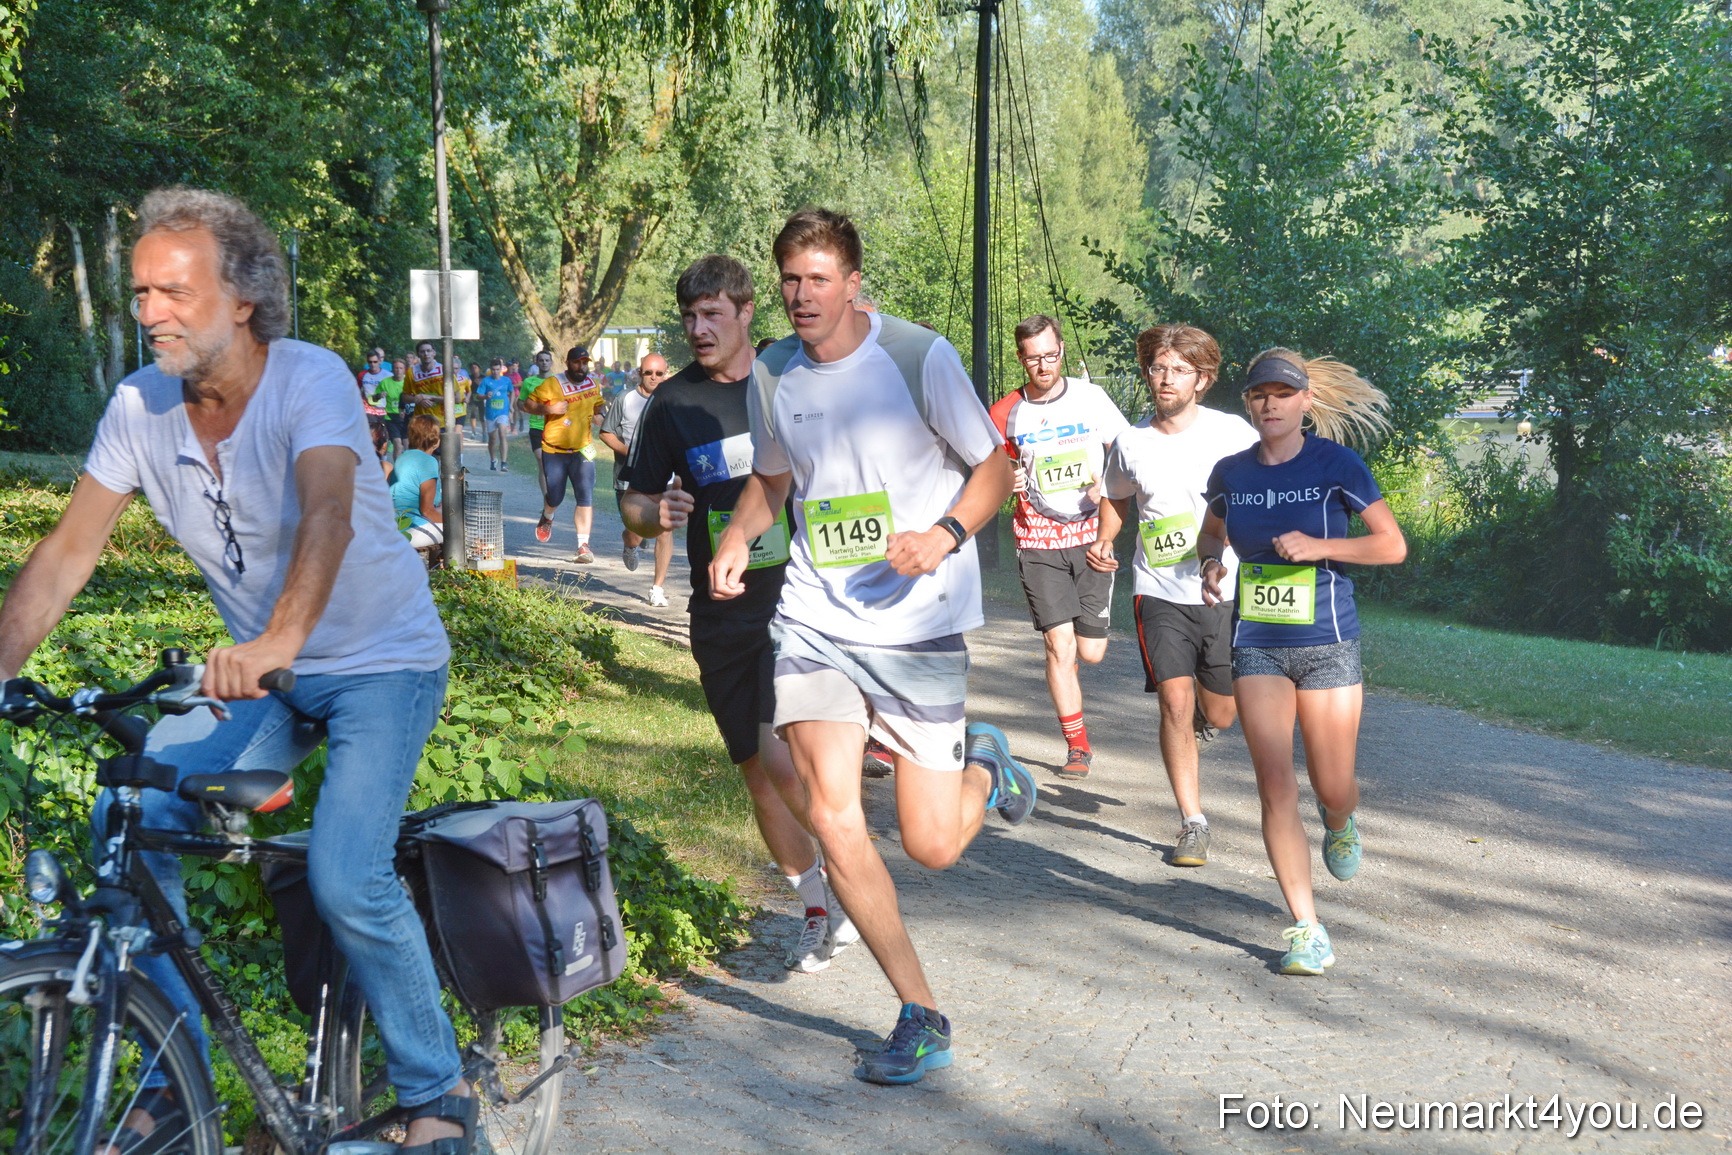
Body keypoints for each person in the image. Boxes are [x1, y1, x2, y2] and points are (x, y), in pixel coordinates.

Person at [0, 188, 472, 1152]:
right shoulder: (138, 405)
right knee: (132, 814)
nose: (150, 310)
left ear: (245, 299)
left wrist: (279, 642)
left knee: (347, 870)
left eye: (175, 290)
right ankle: (180, 1070)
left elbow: (329, 513)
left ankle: (438, 1093)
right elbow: (66, 555)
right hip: (272, 674)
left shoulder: (310, 379)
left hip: (382, 662)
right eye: (140, 291)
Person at [711, 209, 1036, 1085]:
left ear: (854, 283)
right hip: (817, 619)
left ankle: (984, 770)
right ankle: (919, 1012)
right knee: (832, 812)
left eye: (818, 278)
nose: (800, 294)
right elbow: (773, 478)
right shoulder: (774, 371)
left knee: (932, 843)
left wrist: (941, 534)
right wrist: (742, 534)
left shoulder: (915, 356)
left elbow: (996, 466)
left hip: (917, 622)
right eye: (789, 279)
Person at [621, 254, 859, 973]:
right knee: (758, 771)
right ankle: (818, 905)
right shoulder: (673, 404)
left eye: (712, 314)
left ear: (746, 311)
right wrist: (652, 512)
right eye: (689, 316)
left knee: (787, 757)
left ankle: (851, 884)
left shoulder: (791, 378)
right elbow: (633, 500)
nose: (698, 328)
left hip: (801, 600)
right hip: (723, 611)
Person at [1197, 348, 1406, 975]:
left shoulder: (1335, 463)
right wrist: (1211, 562)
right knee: (1275, 785)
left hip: (1328, 644)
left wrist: (1319, 547)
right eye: (1260, 394)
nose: (1270, 403)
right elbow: (1211, 531)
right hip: (1256, 642)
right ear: (1249, 403)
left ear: (1304, 402)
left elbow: (1392, 546)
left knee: (1333, 784)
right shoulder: (1231, 472)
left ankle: (1339, 821)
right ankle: (1306, 928)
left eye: (1282, 394)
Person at [1086, 324, 1258, 867]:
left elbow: (1266, 485)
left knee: (1223, 714)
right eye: (1157, 368)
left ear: (1203, 379)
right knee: (1174, 702)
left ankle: (1205, 718)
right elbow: (1116, 496)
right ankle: (1193, 822)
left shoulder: (1233, 435)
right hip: (1157, 589)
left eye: (1179, 370)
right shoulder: (1132, 443)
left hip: (1224, 588)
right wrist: (1104, 540)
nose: (1165, 379)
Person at [988, 314, 1130, 778]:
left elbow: (1127, 455)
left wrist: (1104, 489)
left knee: (1091, 651)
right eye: (1034, 359)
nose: (1043, 366)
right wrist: (1002, 481)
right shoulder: (1005, 412)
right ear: (1021, 359)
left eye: (1051, 356)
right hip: (1037, 540)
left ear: (1062, 350)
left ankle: (1077, 736)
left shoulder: (1090, 398)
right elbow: (986, 469)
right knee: (1058, 646)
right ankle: (1077, 745)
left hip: (1092, 536)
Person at [598, 352, 674, 605]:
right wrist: (634, 454)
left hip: (666, 476)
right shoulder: (625, 398)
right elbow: (606, 433)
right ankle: (630, 543)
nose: (653, 377)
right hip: (630, 476)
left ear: (667, 374)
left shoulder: (674, 400)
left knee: (664, 527)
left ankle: (657, 588)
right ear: (639, 373)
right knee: (637, 531)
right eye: (648, 372)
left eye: (659, 373)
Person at [524, 345, 604, 562]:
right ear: (568, 363)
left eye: (584, 363)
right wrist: (548, 410)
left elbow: (599, 407)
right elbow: (527, 404)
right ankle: (547, 516)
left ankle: (583, 546)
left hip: (582, 450)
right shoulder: (553, 384)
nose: (581, 367)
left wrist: (600, 417)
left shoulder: (593, 384)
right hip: (554, 450)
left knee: (585, 496)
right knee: (555, 496)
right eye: (577, 362)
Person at [390, 413, 445, 551]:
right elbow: (426, 510)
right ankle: (447, 569)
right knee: (459, 530)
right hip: (411, 527)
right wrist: (453, 526)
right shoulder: (428, 462)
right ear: (434, 438)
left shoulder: (402, 457)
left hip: (394, 523)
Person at [475, 358, 516, 472]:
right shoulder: (486, 381)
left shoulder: (506, 380)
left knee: (502, 434)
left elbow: (512, 391)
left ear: (501, 369)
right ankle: (493, 460)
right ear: (490, 369)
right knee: (492, 439)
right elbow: (478, 395)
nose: (495, 372)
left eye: (497, 369)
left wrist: (511, 405)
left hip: (503, 412)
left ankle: (504, 463)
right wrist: (485, 396)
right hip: (490, 414)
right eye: (493, 369)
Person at [379, 357, 410, 459]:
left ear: (404, 369)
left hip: (406, 417)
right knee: (397, 444)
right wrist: (379, 395)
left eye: (401, 368)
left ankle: (408, 467)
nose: (398, 370)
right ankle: (397, 469)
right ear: (392, 369)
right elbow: (373, 398)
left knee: (407, 445)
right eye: (396, 368)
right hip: (391, 417)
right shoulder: (385, 382)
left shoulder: (409, 381)